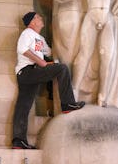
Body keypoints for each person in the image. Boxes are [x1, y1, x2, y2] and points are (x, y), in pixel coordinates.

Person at [11, 12, 85, 149]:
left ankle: (18, 141)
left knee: (24, 106)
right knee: (62, 69)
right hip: (27, 71)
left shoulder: (39, 38)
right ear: (32, 22)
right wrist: (42, 63)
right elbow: (23, 49)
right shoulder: (27, 33)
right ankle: (68, 104)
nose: (41, 18)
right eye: (38, 17)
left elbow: (50, 53)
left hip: (32, 73)